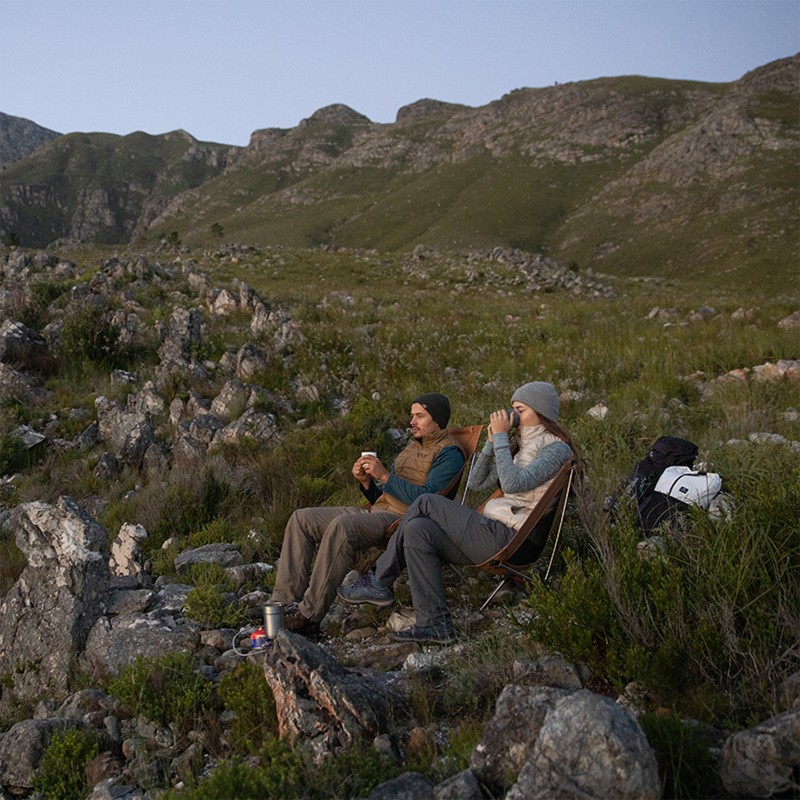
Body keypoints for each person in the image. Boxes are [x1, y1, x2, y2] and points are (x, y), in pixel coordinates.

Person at [337, 381, 576, 644]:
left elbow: (512, 484)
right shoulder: (522, 445)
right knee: (418, 530)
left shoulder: (556, 449)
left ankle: (379, 581)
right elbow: (476, 482)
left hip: (512, 540)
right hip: (491, 532)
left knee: (427, 502)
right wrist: (491, 443)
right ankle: (435, 623)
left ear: (540, 412)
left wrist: (500, 441)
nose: (513, 416)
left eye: (519, 409)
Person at [271, 393, 465, 638]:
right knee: (302, 518)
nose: (412, 421)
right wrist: (366, 484)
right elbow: (383, 496)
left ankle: (308, 616)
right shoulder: (410, 448)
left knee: (343, 526)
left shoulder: (449, 453)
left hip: (402, 520)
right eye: (412, 415)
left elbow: (428, 500)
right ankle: (282, 605)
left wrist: (385, 476)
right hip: (377, 511)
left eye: (419, 416)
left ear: (437, 421)